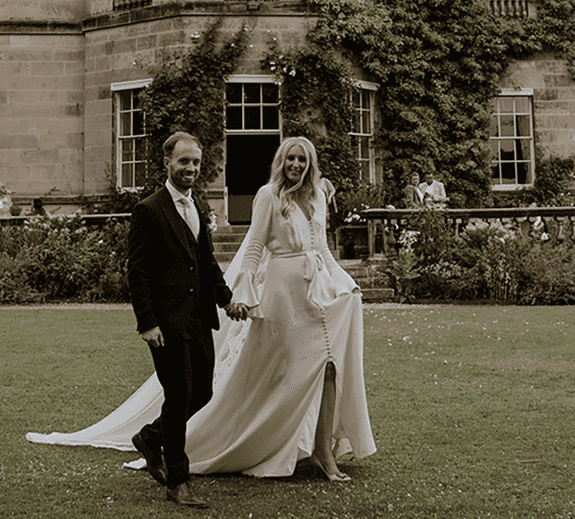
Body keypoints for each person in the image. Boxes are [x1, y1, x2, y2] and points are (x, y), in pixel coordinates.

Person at [27, 135, 376, 486]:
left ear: (311, 163)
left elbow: (319, 251)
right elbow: (250, 249)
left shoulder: (315, 196)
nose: (296, 165)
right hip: (278, 296)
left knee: (324, 367)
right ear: (281, 162)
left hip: (312, 294)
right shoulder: (264, 196)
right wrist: (239, 295)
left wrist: (344, 282)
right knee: (263, 378)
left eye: (302, 159)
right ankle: (203, 458)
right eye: (290, 159)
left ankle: (321, 449)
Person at [127, 132, 248, 508]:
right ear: (167, 163)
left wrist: (227, 301)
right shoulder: (148, 209)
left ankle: (151, 436)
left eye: (195, 162)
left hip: (199, 319)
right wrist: (147, 323)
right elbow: (138, 271)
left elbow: (207, 262)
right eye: (184, 162)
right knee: (179, 397)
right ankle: (178, 481)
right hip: (165, 325)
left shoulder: (198, 207)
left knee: (203, 393)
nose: (191, 169)